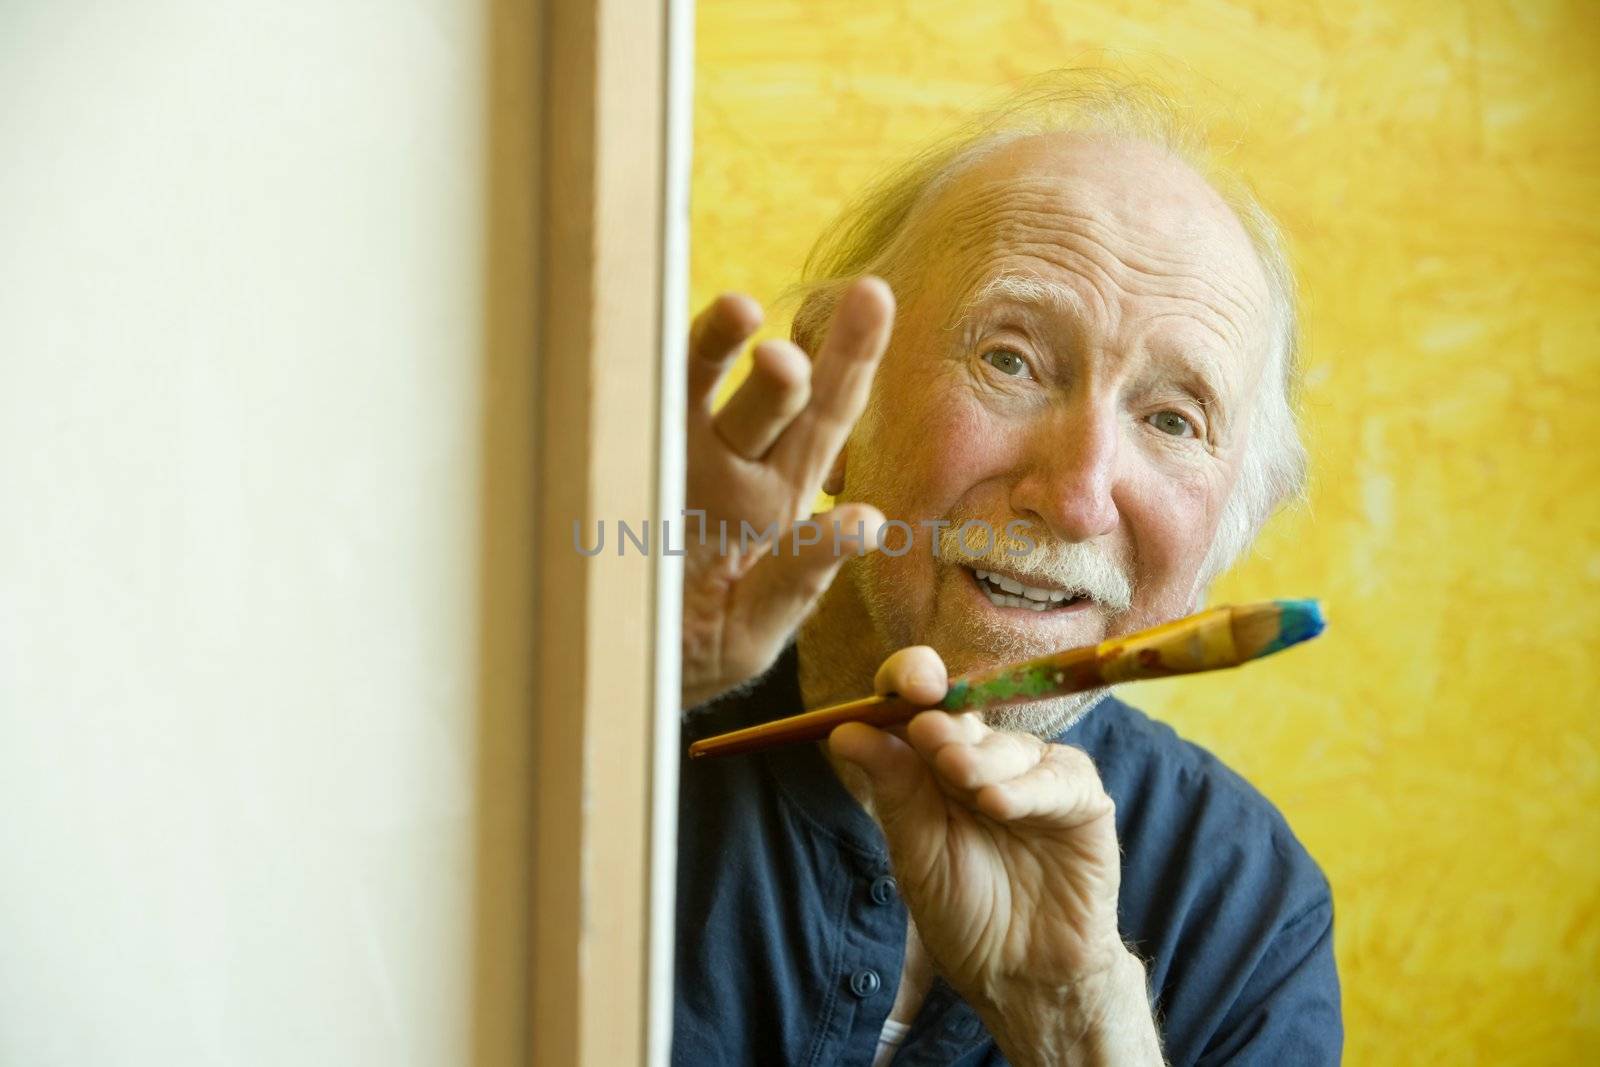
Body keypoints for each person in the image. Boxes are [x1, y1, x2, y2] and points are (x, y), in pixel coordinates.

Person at [674, 72, 1341, 1066]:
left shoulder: (1246, 905)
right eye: (1012, 360)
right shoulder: (605, 719)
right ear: (838, 401)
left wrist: (1078, 1023)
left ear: (1226, 533)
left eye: (1170, 419)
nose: (1075, 496)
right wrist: (614, 691)